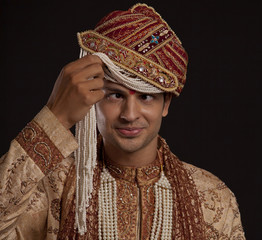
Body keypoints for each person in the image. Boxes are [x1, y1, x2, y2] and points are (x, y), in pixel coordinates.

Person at [0, 3, 245, 240]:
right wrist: (56, 117)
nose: (129, 114)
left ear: (166, 104)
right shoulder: (54, 185)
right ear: (93, 98)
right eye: (115, 95)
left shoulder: (211, 197)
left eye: (146, 97)